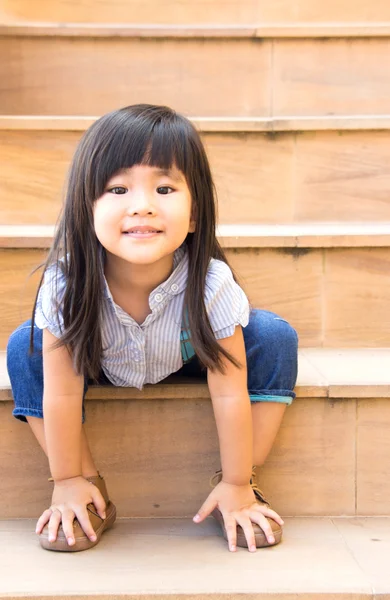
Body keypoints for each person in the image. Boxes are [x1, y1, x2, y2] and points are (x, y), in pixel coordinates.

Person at [6, 103, 298, 554]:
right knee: (23, 346)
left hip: (185, 355)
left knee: (274, 335)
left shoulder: (211, 283)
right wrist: (64, 479)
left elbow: (228, 391)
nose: (142, 206)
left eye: (164, 188)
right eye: (118, 189)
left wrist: (239, 481)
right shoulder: (65, 286)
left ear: (195, 213)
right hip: (99, 361)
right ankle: (85, 489)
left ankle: (239, 489)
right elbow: (62, 393)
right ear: (87, 210)